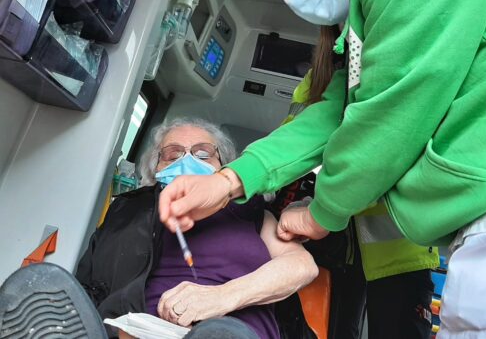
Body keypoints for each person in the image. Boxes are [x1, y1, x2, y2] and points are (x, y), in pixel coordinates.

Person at [158, 0, 486, 338]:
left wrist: (322, 213)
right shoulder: (364, 29)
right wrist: (228, 181)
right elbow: (332, 114)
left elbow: (388, 118)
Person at [76, 117, 318, 338]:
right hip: (143, 329)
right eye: (172, 156)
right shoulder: (130, 211)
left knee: (219, 333)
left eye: (203, 155)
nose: (188, 162)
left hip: (235, 331)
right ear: (155, 170)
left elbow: (302, 266)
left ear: (225, 166)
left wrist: (220, 297)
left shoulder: (252, 212)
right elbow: (92, 282)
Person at [277, 62, 436, 339]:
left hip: (399, 250)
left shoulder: (412, 64)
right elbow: (290, 149)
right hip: (328, 245)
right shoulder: (320, 76)